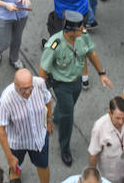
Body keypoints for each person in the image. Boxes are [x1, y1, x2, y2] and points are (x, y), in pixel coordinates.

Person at [40, 10, 112, 165]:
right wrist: (41, 90)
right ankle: (64, 147)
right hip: (61, 85)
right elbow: (43, 68)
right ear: (69, 31)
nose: (83, 30)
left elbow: (91, 53)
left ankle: (59, 116)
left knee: (68, 107)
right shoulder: (55, 44)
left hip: (76, 82)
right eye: (79, 28)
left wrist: (102, 73)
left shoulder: (82, 36)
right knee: (69, 116)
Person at [0, 67, 55, 183]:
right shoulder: (6, 100)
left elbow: (47, 99)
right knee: (15, 167)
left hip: (39, 138)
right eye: (23, 89)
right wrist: (9, 157)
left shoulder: (39, 84)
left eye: (30, 88)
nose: (28, 92)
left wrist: (49, 120)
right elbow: (1, 129)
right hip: (18, 143)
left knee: (43, 166)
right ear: (15, 85)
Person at [86, 96, 124, 183]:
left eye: (123, 118)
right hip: (111, 178)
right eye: (118, 118)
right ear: (110, 113)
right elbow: (93, 154)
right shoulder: (99, 127)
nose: (121, 122)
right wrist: (92, 177)